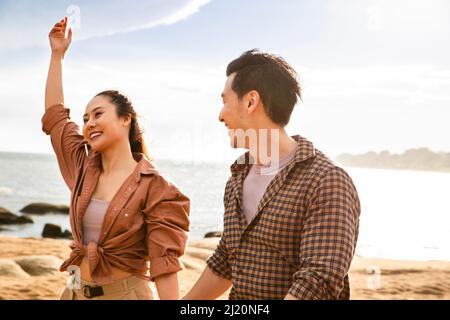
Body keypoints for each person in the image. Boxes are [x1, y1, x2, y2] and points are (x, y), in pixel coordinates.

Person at [183, 49, 361, 300]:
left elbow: (318, 280)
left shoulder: (327, 180)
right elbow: (226, 260)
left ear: (250, 101)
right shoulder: (237, 176)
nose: (220, 115)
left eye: (225, 101)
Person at [43, 17, 190, 300]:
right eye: (86, 118)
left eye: (98, 114)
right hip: (73, 292)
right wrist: (57, 56)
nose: (89, 123)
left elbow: (164, 263)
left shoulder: (157, 187)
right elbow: (56, 116)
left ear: (125, 119)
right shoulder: (81, 165)